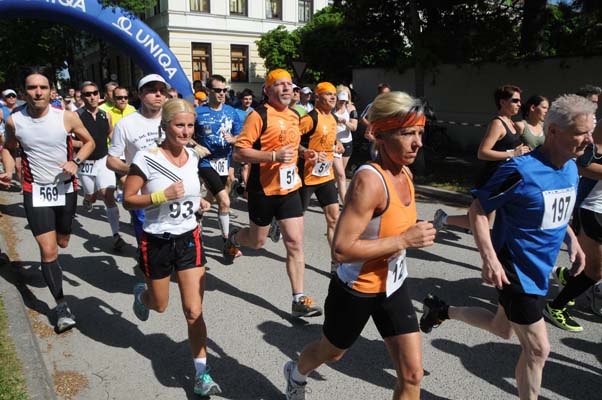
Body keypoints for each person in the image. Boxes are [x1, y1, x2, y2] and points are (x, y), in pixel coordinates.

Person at [420, 94, 594, 400]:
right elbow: (477, 211)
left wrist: (573, 242)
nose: (588, 140)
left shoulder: (570, 167)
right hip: (515, 270)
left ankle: (441, 310)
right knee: (538, 350)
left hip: (540, 270)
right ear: (553, 132)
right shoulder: (519, 170)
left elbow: (557, 211)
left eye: (590, 131)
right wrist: (490, 259)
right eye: (581, 132)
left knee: (502, 328)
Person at [283, 91, 436, 400]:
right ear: (381, 133)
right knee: (333, 353)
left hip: (392, 285)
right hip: (357, 288)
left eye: (420, 132)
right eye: (408, 133)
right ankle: (296, 374)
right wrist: (405, 240)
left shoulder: (405, 172)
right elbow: (341, 249)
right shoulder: (369, 181)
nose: (417, 142)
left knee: (411, 375)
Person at [123, 98, 220, 396]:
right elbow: (128, 198)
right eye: (179, 125)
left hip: (189, 238)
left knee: (194, 310)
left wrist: (200, 201)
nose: (185, 131)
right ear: (165, 126)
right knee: (161, 305)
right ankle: (144, 295)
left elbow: (192, 193)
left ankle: (202, 374)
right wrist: (160, 196)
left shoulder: (192, 157)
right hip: (156, 241)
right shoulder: (146, 157)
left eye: (190, 125)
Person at [0, 66, 95, 333]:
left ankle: (60, 241)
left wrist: (75, 162)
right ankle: (62, 306)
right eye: (31, 87)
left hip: (65, 189)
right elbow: (8, 148)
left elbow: (89, 143)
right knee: (49, 250)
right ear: (23, 92)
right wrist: (8, 171)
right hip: (35, 190)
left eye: (42, 87)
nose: (37, 92)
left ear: (50, 90)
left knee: (63, 240)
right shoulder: (14, 121)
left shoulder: (66, 117)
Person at [227, 69, 323, 318]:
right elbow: (239, 152)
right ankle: (236, 238)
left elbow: (290, 142)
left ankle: (298, 299)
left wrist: (304, 152)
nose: (286, 88)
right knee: (257, 242)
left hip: (290, 188)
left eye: (289, 84)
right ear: (268, 91)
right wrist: (272, 156)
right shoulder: (258, 116)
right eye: (279, 85)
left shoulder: (294, 115)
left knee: (294, 242)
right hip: (263, 190)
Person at [433, 85, 530, 231]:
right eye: (515, 100)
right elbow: (482, 152)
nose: (519, 104)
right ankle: (443, 218)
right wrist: (513, 154)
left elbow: (510, 147)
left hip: (506, 178)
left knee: (485, 219)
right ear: (503, 102)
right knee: (481, 221)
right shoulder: (498, 124)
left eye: (519, 101)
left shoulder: (512, 123)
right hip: (492, 179)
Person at [544, 120, 602, 330]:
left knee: (590, 265)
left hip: (590, 207)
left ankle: (568, 277)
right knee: (595, 271)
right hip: (594, 210)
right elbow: (581, 164)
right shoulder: (592, 139)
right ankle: (556, 307)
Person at [107, 74, 168, 243]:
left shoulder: (173, 119)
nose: (158, 94)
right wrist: (135, 172)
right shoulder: (126, 124)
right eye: (152, 90)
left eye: (162, 91)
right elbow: (111, 160)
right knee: (148, 240)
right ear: (139, 94)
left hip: (171, 190)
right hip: (142, 193)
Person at [297, 82, 343, 272]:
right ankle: (278, 221)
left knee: (333, 218)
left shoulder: (332, 118)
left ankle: (336, 263)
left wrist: (338, 143)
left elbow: (329, 137)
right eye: (328, 94)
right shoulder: (310, 118)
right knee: (296, 217)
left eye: (335, 94)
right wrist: (307, 151)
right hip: (307, 177)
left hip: (325, 176)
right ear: (318, 97)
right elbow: (291, 140)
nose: (333, 97)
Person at [75, 81, 125, 250]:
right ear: (82, 97)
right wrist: (82, 145)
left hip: (103, 161)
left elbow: (110, 133)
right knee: (92, 195)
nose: (92, 97)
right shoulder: (75, 116)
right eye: (88, 94)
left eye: (95, 93)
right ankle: (88, 199)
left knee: (108, 196)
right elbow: (68, 140)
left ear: (99, 95)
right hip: (86, 163)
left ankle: (116, 235)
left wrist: (118, 149)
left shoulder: (105, 115)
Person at [194, 74, 242, 244]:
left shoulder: (231, 112)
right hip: (206, 162)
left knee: (213, 197)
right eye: (218, 90)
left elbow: (241, 136)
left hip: (224, 162)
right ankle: (227, 242)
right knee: (225, 200)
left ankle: (198, 213)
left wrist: (234, 139)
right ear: (208, 90)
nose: (222, 93)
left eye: (224, 90)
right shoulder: (198, 112)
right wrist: (196, 146)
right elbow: (186, 136)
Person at [333, 85, 358, 204]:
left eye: (346, 97)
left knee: (339, 173)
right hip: (333, 144)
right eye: (341, 98)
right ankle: (345, 201)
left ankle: (332, 194)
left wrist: (344, 122)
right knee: (341, 175)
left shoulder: (351, 109)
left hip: (346, 143)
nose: (343, 101)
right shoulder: (331, 107)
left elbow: (354, 127)